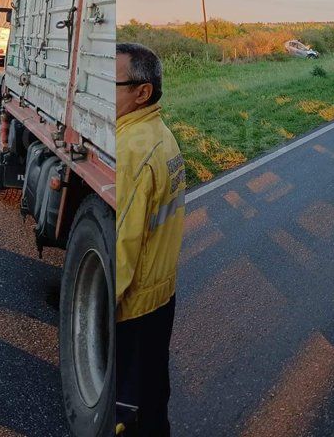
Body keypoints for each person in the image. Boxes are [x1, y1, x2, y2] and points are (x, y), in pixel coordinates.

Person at [115, 42, 186, 436]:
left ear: (142, 92)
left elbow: (121, 247)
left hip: (134, 307)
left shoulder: (130, 152)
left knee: (126, 414)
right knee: (153, 397)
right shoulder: (161, 135)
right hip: (161, 295)